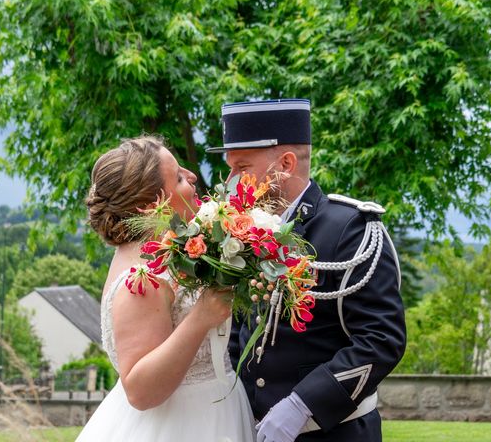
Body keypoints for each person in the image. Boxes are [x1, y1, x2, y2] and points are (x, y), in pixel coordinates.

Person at [207, 99, 407, 442]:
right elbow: (243, 329)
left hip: (334, 432)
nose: (231, 182)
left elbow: (381, 340)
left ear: (285, 164)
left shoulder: (351, 230)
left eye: (241, 168)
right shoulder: (247, 232)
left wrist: (303, 405)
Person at [76, 136, 255, 442]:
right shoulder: (142, 279)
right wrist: (200, 318)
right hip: (181, 426)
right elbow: (141, 391)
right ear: (150, 206)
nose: (193, 177)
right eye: (178, 177)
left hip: (218, 410)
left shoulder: (168, 249)